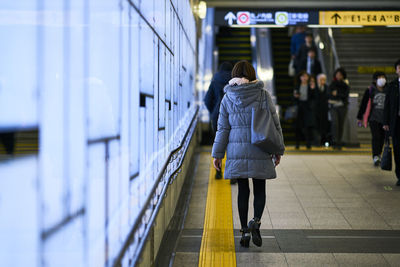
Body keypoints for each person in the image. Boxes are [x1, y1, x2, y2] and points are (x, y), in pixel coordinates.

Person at [211, 60, 284, 247]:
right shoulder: (263, 94)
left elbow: (222, 129)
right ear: (252, 75)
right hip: (260, 147)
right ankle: (256, 222)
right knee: (260, 189)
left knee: (243, 191)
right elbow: (275, 123)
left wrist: (217, 154)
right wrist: (278, 149)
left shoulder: (227, 98)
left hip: (237, 151)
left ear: (233, 75)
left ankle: (244, 232)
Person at [204, 61, 233, 179]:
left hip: (217, 116)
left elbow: (207, 100)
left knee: (218, 143)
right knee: (232, 145)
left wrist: (214, 112)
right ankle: (233, 176)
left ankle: (218, 171)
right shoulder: (234, 81)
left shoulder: (215, 80)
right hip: (232, 116)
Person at [357, 71, 387, 166]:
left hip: (385, 119)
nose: (381, 79)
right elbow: (364, 103)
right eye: (379, 77)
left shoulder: (388, 90)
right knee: (376, 137)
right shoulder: (370, 90)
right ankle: (375, 156)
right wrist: (359, 117)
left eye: (383, 77)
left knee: (382, 137)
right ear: (375, 80)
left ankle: (379, 154)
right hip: (373, 118)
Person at [383, 59, 400, 186]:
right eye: (399, 68)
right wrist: (386, 122)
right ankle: (399, 175)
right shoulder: (392, 86)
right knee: (398, 149)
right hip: (396, 122)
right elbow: (387, 106)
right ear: (396, 70)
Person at [328, 68, 350, 149]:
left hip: (342, 107)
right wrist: (339, 95)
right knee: (335, 123)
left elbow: (345, 95)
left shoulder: (345, 85)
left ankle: (339, 141)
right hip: (333, 107)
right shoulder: (332, 84)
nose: (338, 76)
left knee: (341, 124)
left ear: (343, 76)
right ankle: (334, 141)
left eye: (340, 75)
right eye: (337, 74)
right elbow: (329, 94)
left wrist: (337, 94)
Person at [293, 71, 316, 149]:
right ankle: (297, 144)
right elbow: (293, 97)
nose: (304, 78)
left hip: (307, 107)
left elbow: (314, 97)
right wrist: (295, 96)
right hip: (299, 107)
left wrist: (313, 89)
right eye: (303, 76)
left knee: (307, 126)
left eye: (306, 76)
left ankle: (308, 143)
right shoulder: (297, 86)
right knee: (298, 126)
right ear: (300, 77)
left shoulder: (310, 86)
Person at [316, 74, 330, 146]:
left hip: (325, 110)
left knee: (324, 126)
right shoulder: (315, 87)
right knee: (317, 126)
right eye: (321, 79)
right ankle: (317, 141)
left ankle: (324, 141)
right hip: (316, 110)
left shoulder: (327, 87)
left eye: (324, 80)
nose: (322, 81)